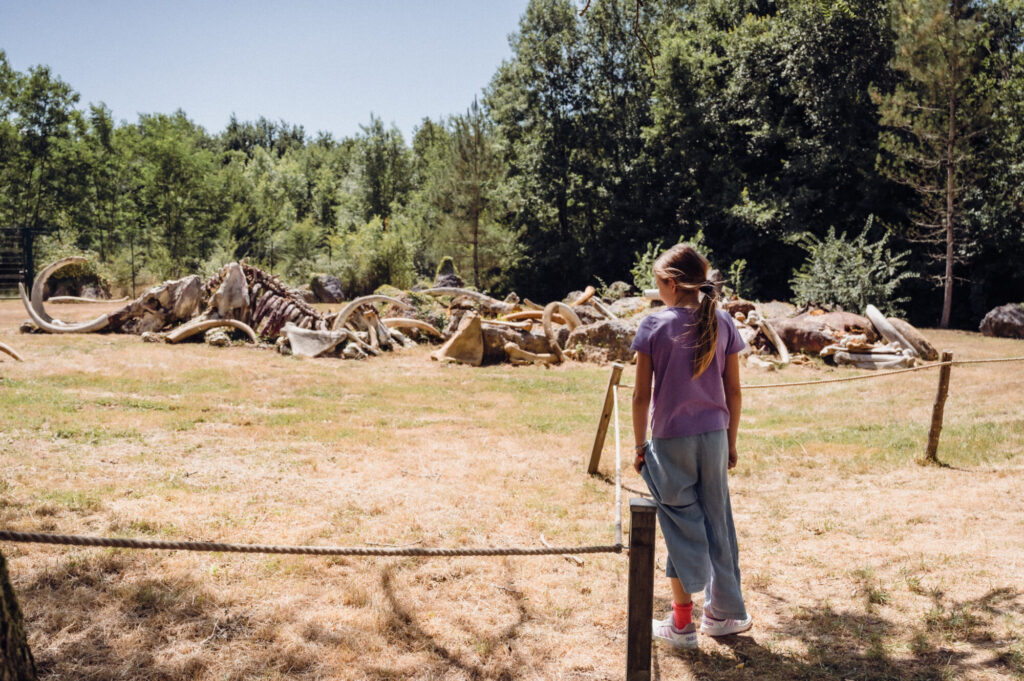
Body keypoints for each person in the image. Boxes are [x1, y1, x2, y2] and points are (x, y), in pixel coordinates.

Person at [630, 243, 751, 650]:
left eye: (657, 284)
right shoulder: (723, 323)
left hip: (670, 440)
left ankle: (682, 626)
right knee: (719, 521)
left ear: (670, 282)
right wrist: (730, 442)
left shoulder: (653, 325)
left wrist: (638, 445)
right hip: (715, 437)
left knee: (680, 525)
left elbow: (639, 396)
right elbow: (733, 390)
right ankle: (722, 614)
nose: (657, 291)